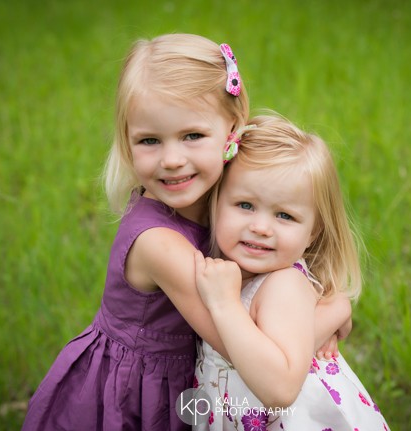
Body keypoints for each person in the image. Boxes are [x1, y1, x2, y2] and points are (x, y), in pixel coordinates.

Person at [22, 34, 351, 431]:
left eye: (192, 136)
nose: (173, 160)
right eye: (149, 141)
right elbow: (262, 364)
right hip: (139, 395)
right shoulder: (158, 245)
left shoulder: (233, 198)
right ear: (126, 140)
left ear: (233, 126)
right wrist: (333, 311)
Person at [194, 114, 390, 430]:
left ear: (313, 232)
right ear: (216, 203)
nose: (260, 227)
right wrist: (336, 310)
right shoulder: (245, 273)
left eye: (284, 215)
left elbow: (280, 389)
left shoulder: (283, 284)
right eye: (244, 205)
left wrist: (223, 304)